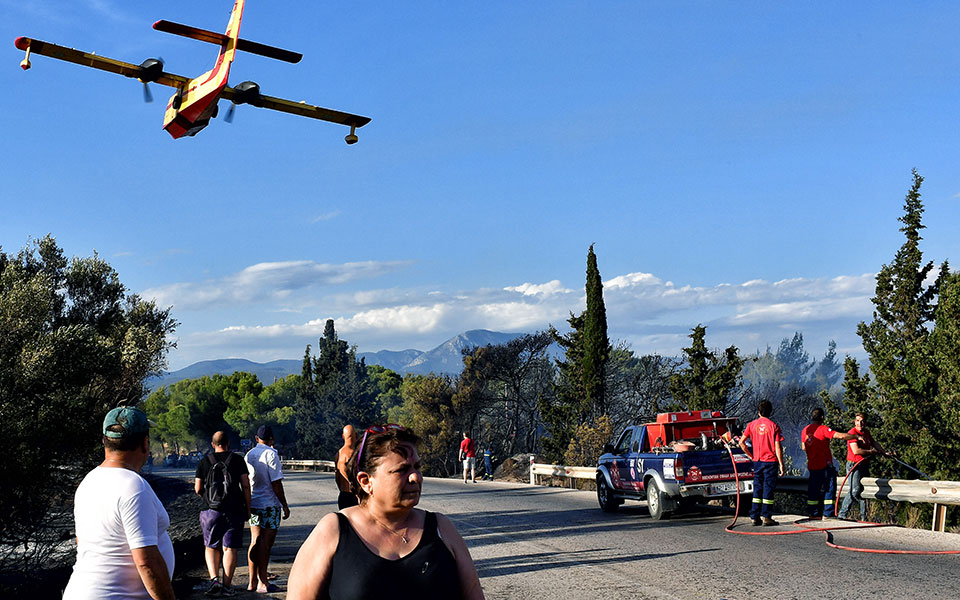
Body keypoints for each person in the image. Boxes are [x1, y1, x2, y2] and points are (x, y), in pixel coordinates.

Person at [286, 424, 484, 600]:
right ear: (366, 481)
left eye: (417, 467)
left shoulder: (441, 528)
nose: (415, 477)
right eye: (401, 470)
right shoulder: (334, 530)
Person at [62, 406, 175, 600]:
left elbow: (83, 542)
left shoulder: (88, 482)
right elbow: (146, 561)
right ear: (145, 444)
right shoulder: (134, 487)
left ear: (104, 442)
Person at [195, 431, 252, 596]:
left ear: (212, 444)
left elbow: (198, 488)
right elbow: (246, 485)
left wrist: (208, 499)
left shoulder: (204, 462)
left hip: (210, 511)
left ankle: (214, 581)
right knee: (229, 548)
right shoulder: (237, 460)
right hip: (234, 509)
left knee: (211, 546)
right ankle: (227, 586)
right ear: (228, 443)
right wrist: (247, 508)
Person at [244, 425, 290, 594]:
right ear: (271, 439)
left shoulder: (249, 455)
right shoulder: (272, 454)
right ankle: (263, 582)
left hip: (254, 503)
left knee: (254, 540)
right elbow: (276, 483)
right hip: (269, 505)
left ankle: (252, 581)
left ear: (257, 438)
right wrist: (284, 504)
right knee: (265, 544)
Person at [800, 408, 861, 519]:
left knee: (814, 489)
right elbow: (841, 436)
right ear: (822, 417)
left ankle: (813, 513)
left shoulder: (805, 430)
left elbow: (804, 447)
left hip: (812, 465)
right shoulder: (823, 429)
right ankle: (827, 514)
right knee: (829, 488)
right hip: (824, 465)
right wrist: (855, 436)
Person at [738, 400, 785, 527]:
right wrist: (782, 464)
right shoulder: (774, 426)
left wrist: (750, 455)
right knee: (768, 489)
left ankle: (754, 516)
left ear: (758, 412)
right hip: (770, 461)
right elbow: (778, 447)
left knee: (757, 489)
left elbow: (741, 443)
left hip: (757, 461)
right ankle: (766, 516)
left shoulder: (751, 425)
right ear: (770, 412)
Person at [838, 412, 891, 520]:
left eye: (862, 421)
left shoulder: (866, 432)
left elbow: (873, 442)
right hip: (854, 465)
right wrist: (871, 452)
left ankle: (864, 516)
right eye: (857, 421)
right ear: (855, 422)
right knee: (855, 490)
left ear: (865, 422)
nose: (860, 423)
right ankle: (842, 514)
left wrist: (883, 452)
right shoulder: (852, 433)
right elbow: (856, 451)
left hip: (864, 465)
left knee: (863, 490)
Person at [335, 424, 359, 509]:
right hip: (354, 495)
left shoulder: (339, 453)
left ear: (343, 436)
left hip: (343, 495)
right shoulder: (355, 453)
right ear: (356, 435)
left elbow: (337, 477)